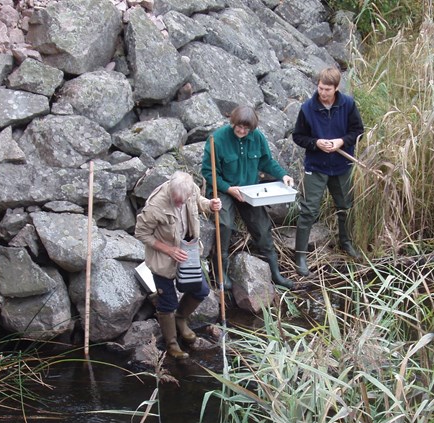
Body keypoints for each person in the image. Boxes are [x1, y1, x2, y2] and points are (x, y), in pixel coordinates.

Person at [201, 105, 295, 290]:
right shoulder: (217, 139)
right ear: (232, 122)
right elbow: (208, 172)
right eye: (239, 127)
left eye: (246, 129)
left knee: (261, 225)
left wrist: (283, 174)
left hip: (249, 190)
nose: (242, 131)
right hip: (223, 189)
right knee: (225, 224)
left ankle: (275, 272)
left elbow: (266, 161)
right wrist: (228, 189)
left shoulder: (257, 138)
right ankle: (221, 271)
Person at [134, 171, 222, 360]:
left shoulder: (191, 190)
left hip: (188, 253)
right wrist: (168, 250)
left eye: (183, 200)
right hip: (163, 260)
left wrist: (210, 205)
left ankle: (181, 319)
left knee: (200, 290)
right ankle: (172, 344)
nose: (180, 204)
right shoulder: (155, 206)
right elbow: (141, 233)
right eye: (176, 201)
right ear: (170, 191)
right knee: (167, 302)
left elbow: (199, 202)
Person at [292, 67, 365, 276]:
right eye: (320, 88)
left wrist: (340, 141)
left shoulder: (348, 105)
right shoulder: (307, 108)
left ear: (336, 88)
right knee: (308, 210)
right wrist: (316, 143)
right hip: (316, 166)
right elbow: (298, 137)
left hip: (342, 166)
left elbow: (358, 131)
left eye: (327, 89)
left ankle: (346, 243)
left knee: (345, 206)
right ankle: (300, 256)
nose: (322, 93)